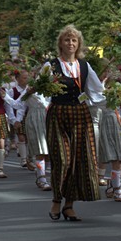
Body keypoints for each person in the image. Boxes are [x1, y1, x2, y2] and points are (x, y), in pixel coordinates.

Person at [46, 25, 105, 221]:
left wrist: (114, 99)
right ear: (60, 44)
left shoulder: (84, 66)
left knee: (78, 161)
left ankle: (69, 205)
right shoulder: (51, 66)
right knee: (62, 160)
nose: (70, 43)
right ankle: (56, 200)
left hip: (80, 115)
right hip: (58, 114)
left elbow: (96, 91)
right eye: (66, 40)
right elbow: (38, 90)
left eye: (74, 40)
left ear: (78, 44)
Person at [98, 78, 121, 202]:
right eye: (112, 87)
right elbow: (92, 101)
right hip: (110, 127)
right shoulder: (104, 99)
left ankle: (112, 184)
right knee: (116, 158)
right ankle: (118, 191)